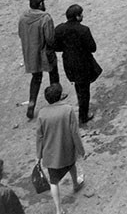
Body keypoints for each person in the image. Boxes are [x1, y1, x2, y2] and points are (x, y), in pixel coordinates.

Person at [36, 83, 85, 214]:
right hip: (66, 148)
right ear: (60, 96)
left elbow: (39, 136)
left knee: (54, 181)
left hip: (50, 152)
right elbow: (74, 132)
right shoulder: (67, 110)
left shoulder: (42, 114)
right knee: (71, 165)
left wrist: (39, 154)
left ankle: (58, 209)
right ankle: (75, 183)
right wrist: (81, 150)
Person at [53, 5, 100, 125]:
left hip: (68, 62)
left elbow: (55, 46)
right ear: (77, 16)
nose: (82, 16)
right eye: (80, 14)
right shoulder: (83, 30)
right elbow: (92, 47)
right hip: (83, 62)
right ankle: (83, 116)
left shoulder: (59, 29)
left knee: (78, 86)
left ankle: (82, 109)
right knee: (84, 89)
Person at [19, 0, 59, 121]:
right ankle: (55, 96)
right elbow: (50, 38)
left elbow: (21, 33)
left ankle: (31, 102)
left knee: (36, 78)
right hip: (45, 51)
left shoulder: (23, 17)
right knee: (53, 71)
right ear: (41, 4)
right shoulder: (45, 18)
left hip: (30, 52)